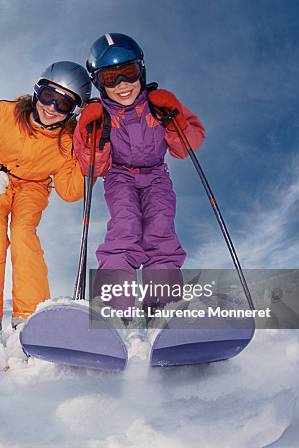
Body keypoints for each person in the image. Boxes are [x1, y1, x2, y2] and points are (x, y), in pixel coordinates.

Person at [0, 61, 91, 328]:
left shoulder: (69, 142)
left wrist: (90, 157)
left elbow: (70, 191)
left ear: (74, 111)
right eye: (48, 96)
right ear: (37, 91)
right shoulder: (6, 112)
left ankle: (30, 317)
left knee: (24, 236)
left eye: (63, 104)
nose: (51, 108)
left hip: (34, 187)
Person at [74, 33, 206, 313]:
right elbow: (92, 168)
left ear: (141, 71)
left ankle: (162, 306)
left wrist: (175, 117)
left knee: (161, 231)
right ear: (99, 82)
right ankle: (113, 306)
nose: (122, 84)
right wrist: (90, 137)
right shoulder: (99, 116)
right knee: (125, 228)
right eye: (110, 78)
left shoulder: (157, 105)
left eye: (128, 73)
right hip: (119, 176)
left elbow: (186, 148)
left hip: (157, 174)